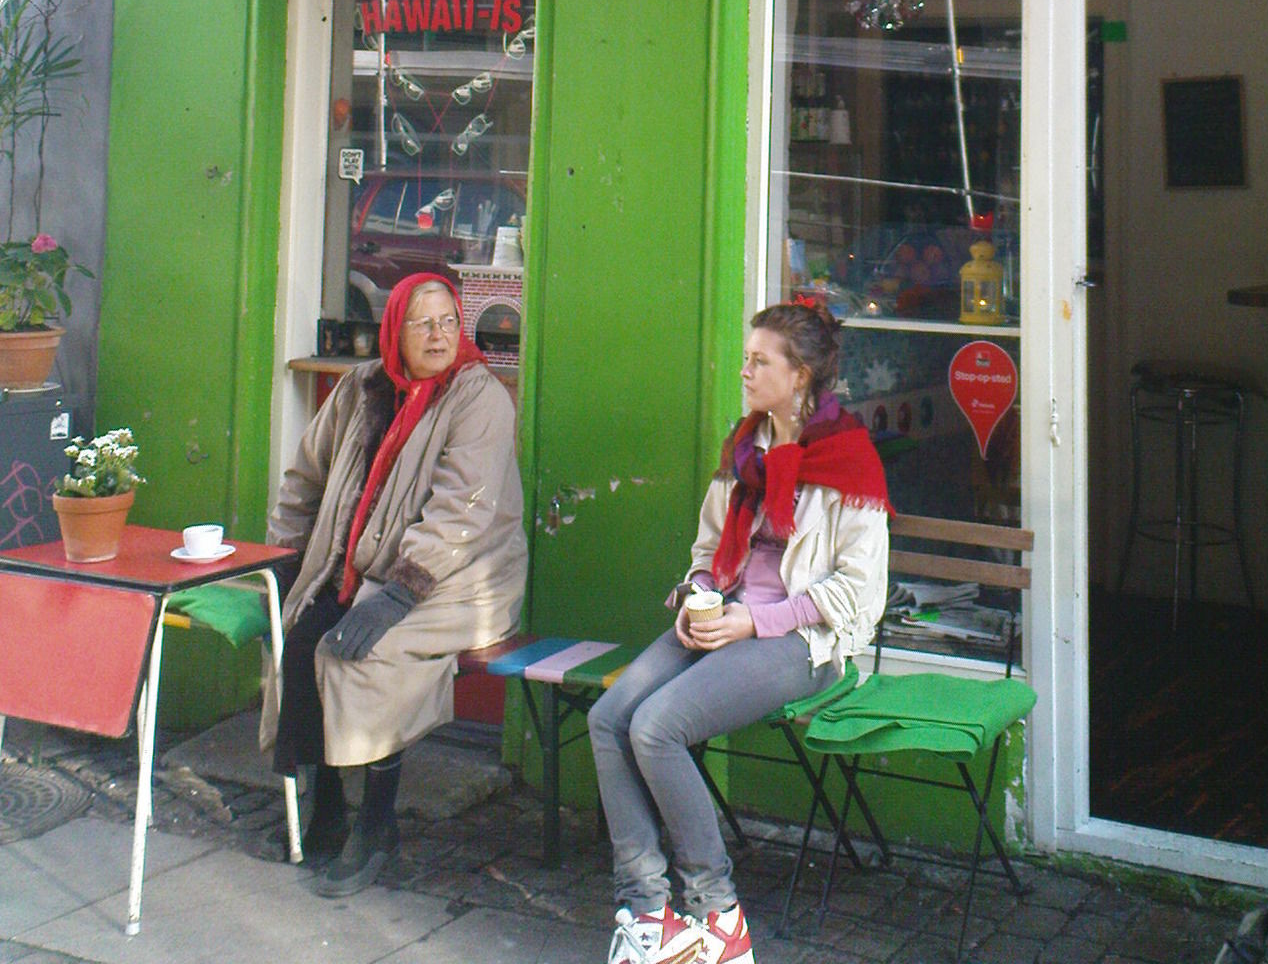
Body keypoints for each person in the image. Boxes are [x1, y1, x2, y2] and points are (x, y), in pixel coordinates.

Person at [588, 298, 889, 964]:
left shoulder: (849, 458)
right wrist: (696, 594)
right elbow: (708, 546)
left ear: (800, 374)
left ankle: (717, 917)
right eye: (746, 359)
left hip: (802, 642)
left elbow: (857, 591)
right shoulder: (745, 445)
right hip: (725, 618)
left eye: (760, 362)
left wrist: (757, 619)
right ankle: (648, 914)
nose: (745, 372)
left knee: (656, 727)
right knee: (608, 717)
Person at [262, 272, 527, 896]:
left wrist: (402, 592)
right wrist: (288, 559)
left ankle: (377, 826)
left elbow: (461, 512)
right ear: (394, 332)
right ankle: (328, 808)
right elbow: (304, 479)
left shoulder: (479, 397)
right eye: (422, 324)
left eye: (448, 322)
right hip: (360, 568)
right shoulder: (360, 388)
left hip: (458, 576)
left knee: (368, 657)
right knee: (301, 640)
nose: (438, 336)